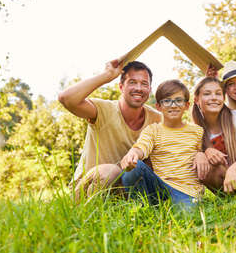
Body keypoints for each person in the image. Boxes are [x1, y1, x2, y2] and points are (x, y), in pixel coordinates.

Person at [58, 59, 162, 199]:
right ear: (121, 87)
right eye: (132, 82)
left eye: (144, 83)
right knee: (111, 171)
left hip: (125, 191)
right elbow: (66, 98)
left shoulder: (157, 119)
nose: (138, 88)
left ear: (149, 90)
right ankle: (85, 213)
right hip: (88, 187)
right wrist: (106, 75)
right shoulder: (103, 109)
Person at [120, 80, 207, 205]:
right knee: (134, 168)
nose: (173, 105)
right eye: (167, 101)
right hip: (160, 188)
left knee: (186, 220)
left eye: (178, 100)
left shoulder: (197, 131)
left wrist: (202, 153)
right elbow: (142, 146)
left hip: (187, 193)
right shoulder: (153, 130)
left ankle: (176, 206)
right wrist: (133, 152)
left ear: (187, 105)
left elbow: (205, 150)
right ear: (158, 107)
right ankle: (141, 207)